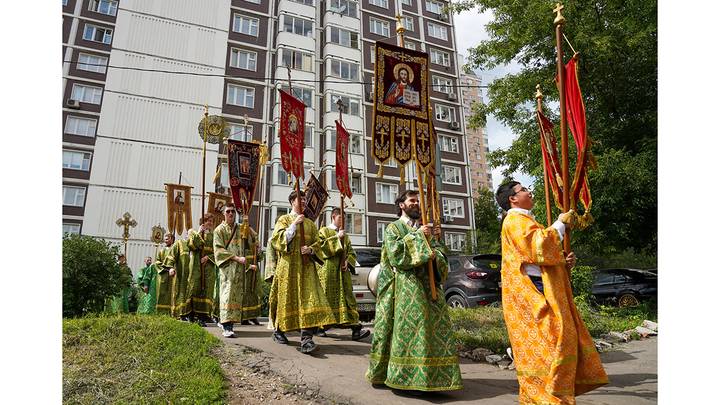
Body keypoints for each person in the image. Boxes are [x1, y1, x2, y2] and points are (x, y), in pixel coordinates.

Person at [495, 181, 608, 403]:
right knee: (552, 342)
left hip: (541, 287)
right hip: (534, 294)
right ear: (513, 199)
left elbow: (539, 257)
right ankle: (548, 397)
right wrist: (560, 223)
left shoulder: (527, 220)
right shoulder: (515, 220)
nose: (529, 191)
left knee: (558, 340)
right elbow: (537, 246)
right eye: (523, 189)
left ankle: (555, 394)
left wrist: (562, 263)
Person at [366, 190, 462, 392]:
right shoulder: (394, 228)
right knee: (412, 329)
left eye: (418, 201)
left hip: (430, 288)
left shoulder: (424, 228)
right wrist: (419, 237)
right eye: (412, 201)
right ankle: (403, 377)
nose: (416, 204)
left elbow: (441, 254)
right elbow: (395, 256)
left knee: (431, 331)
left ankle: (431, 377)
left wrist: (435, 255)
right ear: (402, 205)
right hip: (406, 287)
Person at [269, 189, 335, 354]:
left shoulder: (311, 224)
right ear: (292, 201)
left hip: (306, 268)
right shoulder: (283, 220)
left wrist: (311, 250)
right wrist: (293, 225)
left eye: (306, 200)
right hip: (288, 268)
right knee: (287, 300)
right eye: (301, 200)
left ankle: (306, 339)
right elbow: (277, 241)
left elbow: (318, 245)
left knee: (310, 299)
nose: (304, 203)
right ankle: (279, 331)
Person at [315, 207, 370, 341]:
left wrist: (347, 260)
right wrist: (336, 238)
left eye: (345, 219)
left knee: (348, 298)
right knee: (328, 297)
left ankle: (356, 328)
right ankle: (321, 326)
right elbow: (320, 248)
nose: (343, 221)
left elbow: (351, 252)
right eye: (341, 218)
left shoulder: (345, 235)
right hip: (329, 270)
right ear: (333, 217)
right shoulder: (324, 231)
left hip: (343, 272)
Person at [213, 203, 261, 338]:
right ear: (223, 213)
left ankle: (229, 324)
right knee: (227, 295)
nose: (230, 214)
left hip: (239, 270)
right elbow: (219, 250)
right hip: (227, 268)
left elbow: (253, 240)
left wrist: (247, 223)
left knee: (236, 295)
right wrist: (236, 258)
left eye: (233, 212)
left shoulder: (240, 228)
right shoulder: (219, 230)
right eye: (228, 211)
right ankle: (226, 326)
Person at [186, 214, 219, 326]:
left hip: (209, 266)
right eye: (207, 220)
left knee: (207, 290)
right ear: (202, 222)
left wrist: (208, 257)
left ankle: (203, 315)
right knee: (195, 287)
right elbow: (192, 246)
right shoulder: (194, 232)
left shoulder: (215, 235)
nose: (209, 222)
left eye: (211, 221)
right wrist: (199, 233)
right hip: (196, 265)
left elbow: (219, 252)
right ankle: (191, 314)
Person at [238, 214, 264, 326]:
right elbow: (240, 254)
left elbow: (259, 256)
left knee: (254, 293)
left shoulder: (254, 235)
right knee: (246, 293)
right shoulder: (241, 237)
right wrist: (249, 266)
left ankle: (253, 316)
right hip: (246, 270)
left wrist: (258, 251)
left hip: (254, 269)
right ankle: (244, 317)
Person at [163, 233, 192, 320]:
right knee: (180, 293)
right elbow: (172, 256)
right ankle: (180, 313)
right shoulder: (179, 243)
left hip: (192, 276)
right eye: (189, 235)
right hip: (181, 274)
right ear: (186, 236)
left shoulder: (195, 246)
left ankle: (190, 314)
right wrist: (171, 267)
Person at [155, 233, 176, 316]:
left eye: (167, 239)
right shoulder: (162, 251)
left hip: (174, 275)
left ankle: (173, 312)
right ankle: (161, 313)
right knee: (162, 293)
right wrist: (167, 269)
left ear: (172, 239)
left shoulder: (175, 248)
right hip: (163, 275)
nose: (165, 240)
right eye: (165, 239)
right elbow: (157, 262)